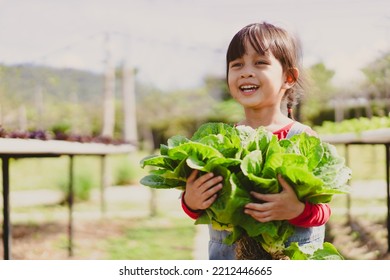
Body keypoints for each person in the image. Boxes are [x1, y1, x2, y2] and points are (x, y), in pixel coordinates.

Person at [181, 21, 331, 259]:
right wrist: (191, 201)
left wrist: (296, 209)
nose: (246, 71)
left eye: (260, 63)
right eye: (237, 64)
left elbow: (323, 210)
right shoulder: (219, 143)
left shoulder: (305, 140)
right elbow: (198, 207)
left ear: (289, 77)